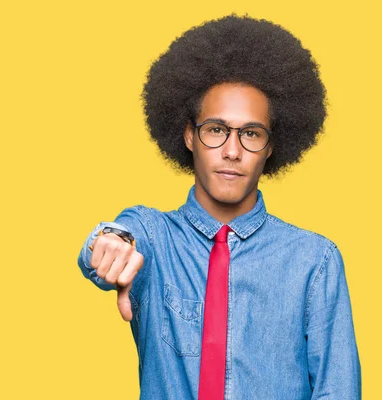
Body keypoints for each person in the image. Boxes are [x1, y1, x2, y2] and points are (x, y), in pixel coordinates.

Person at [76, 14, 361, 400]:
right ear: (190, 135)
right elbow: (114, 238)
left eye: (250, 133)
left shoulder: (315, 261)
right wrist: (108, 244)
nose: (232, 150)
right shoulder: (154, 239)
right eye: (216, 129)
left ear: (272, 146)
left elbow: (338, 390)